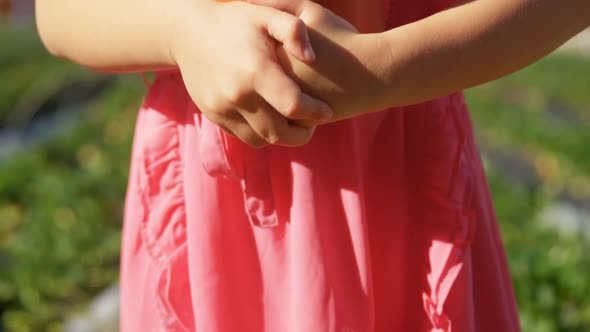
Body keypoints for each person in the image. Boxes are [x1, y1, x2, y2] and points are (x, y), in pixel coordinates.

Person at [35, 0, 589, 331]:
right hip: (209, 199)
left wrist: (387, 68)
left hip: (394, 170)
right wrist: (182, 29)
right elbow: (58, 13)